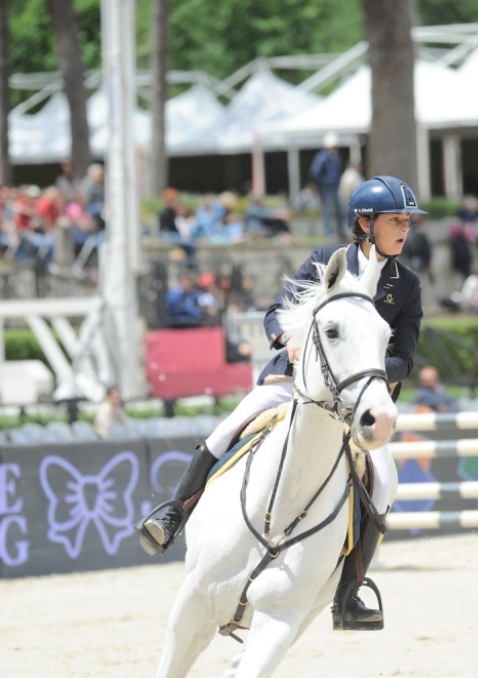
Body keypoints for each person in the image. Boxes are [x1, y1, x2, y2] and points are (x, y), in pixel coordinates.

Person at [137, 174, 424, 631]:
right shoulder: (326, 262)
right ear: (364, 223)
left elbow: (404, 359)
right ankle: (173, 513)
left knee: (385, 482)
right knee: (228, 428)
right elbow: (276, 312)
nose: (405, 229)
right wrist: (287, 339)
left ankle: (350, 591)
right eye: (395, 220)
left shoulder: (405, 286)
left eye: (407, 221)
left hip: (355, 401)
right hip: (297, 382)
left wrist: (366, 372)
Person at [310, 133, 344, 239]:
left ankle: (340, 231)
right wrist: (324, 182)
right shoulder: (322, 157)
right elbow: (315, 172)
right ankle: (328, 232)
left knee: (340, 210)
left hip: (335, 187)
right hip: (326, 188)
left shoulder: (335, 157)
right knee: (328, 210)